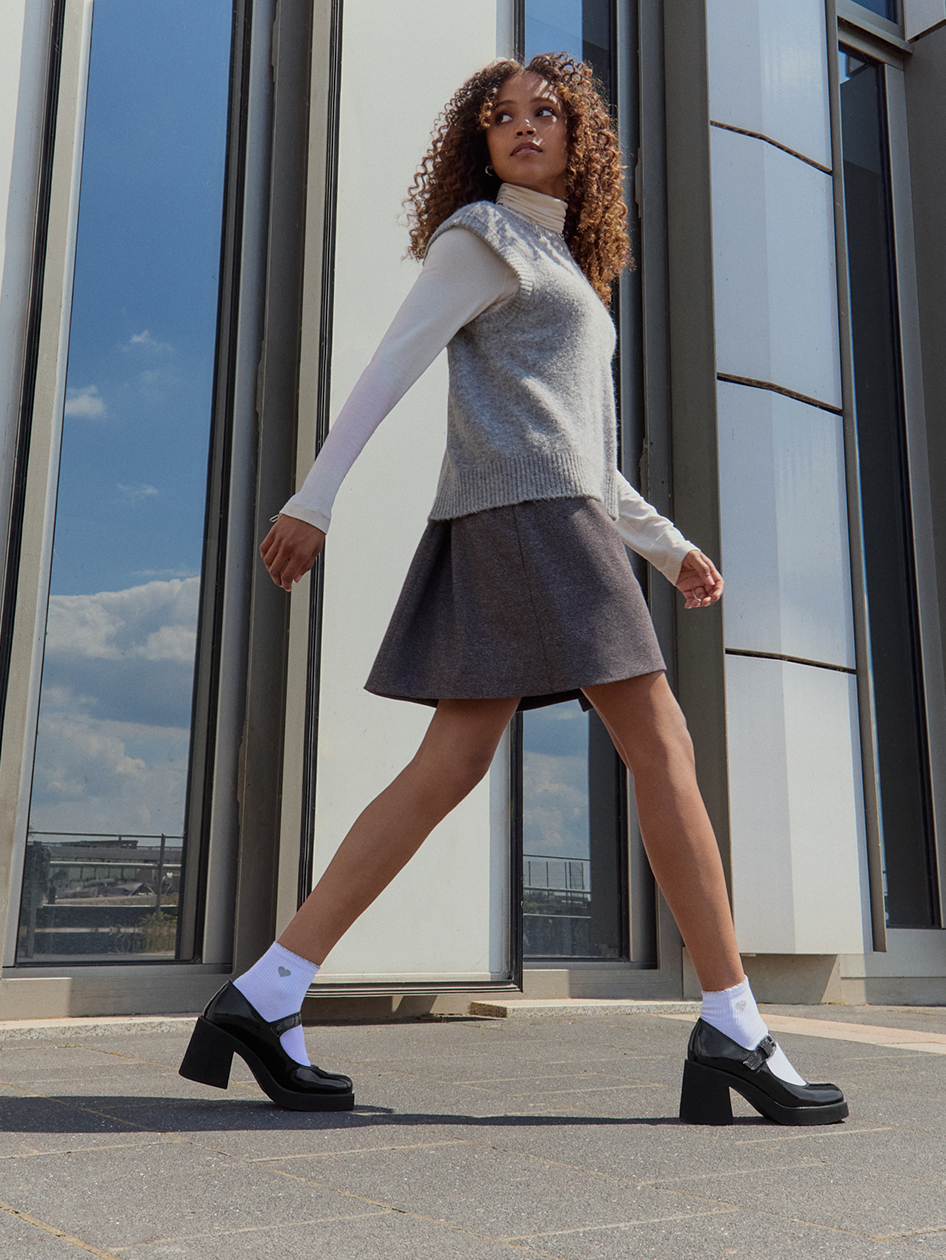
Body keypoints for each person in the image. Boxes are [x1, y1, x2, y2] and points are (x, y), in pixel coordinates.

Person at [179, 54, 847, 1126]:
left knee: (451, 761)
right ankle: (735, 1025)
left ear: (582, 138)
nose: (523, 128)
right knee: (660, 747)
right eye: (501, 118)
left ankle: (265, 992)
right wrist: (314, 499)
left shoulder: (567, 269)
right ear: (477, 144)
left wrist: (667, 548)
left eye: (545, 113)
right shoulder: (480, 237)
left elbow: (583, 451)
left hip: (537, 515)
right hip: (530, 524)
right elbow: (391, 366)